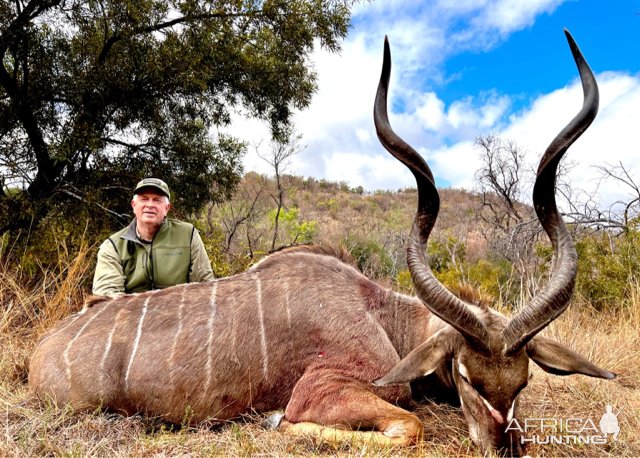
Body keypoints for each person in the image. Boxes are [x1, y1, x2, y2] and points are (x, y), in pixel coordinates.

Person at [92, 178, 214, 297]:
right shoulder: (113, 246)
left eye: (157, 200)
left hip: (179, 312)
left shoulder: (188, 234)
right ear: (134, 205)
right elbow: (107, 295)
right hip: (131, 314)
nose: (150, 205)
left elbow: (204, 286)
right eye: (144, 199)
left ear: (167, 208)